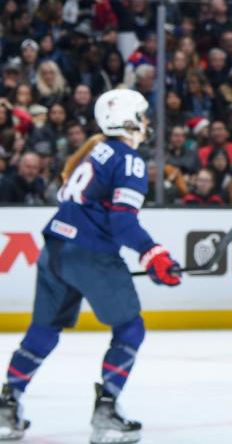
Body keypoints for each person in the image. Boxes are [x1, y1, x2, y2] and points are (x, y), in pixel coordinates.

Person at [0, 89, 183, 443]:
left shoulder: (92, 153)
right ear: (128, 118)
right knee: (130, 328)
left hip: (54, 249)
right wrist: (153, 253)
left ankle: (6, 405)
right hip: (91, 253)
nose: (146, 123)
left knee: (43, 330)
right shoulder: (129, 159)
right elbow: (122, 223)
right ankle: (107, 412)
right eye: (143, 115)